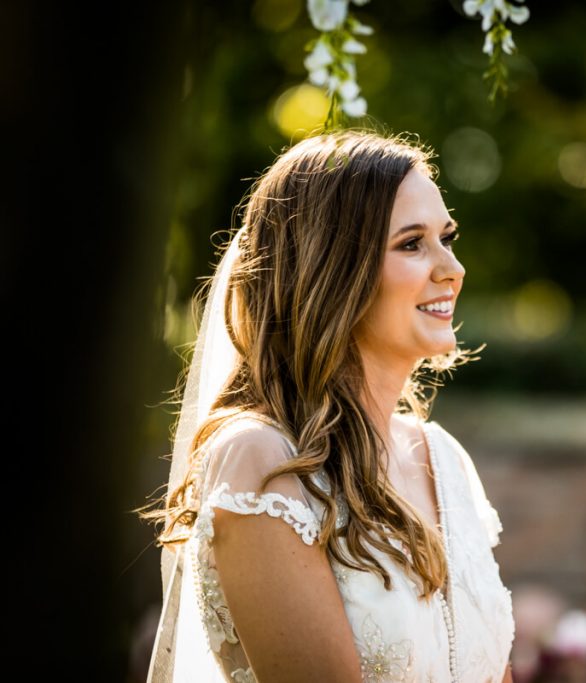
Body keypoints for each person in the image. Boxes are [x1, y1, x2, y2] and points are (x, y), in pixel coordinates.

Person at [137, 129, 515, 682]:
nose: (451, 269)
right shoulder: (263, 461)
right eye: (412, 243)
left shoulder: (444, 458)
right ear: (333, 269)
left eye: (447, 237)